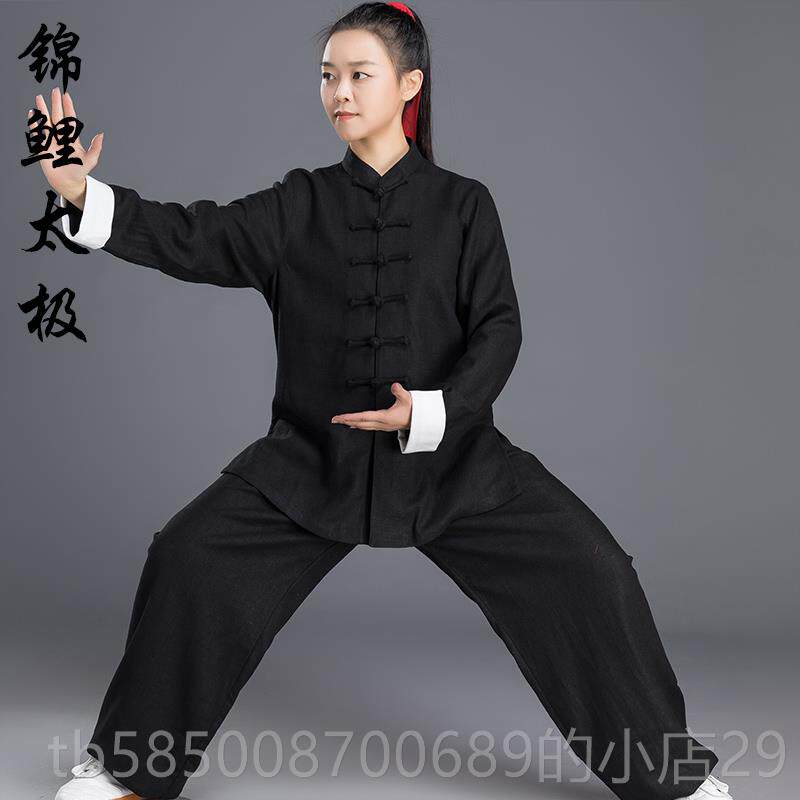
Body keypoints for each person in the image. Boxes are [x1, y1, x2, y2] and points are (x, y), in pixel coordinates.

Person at [38, 3, 735, 800]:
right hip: (311, 462)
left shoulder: (464, 205)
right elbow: (194, 237)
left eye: (358, 74)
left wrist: (433, 411)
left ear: (409, 83)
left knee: (594, 570)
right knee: (187, 557)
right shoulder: (295, 204)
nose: (339, 91)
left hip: (456, 465)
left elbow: (499, 331)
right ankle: (128, 772)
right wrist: (80, 192)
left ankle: (672, 779)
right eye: (327, 75)